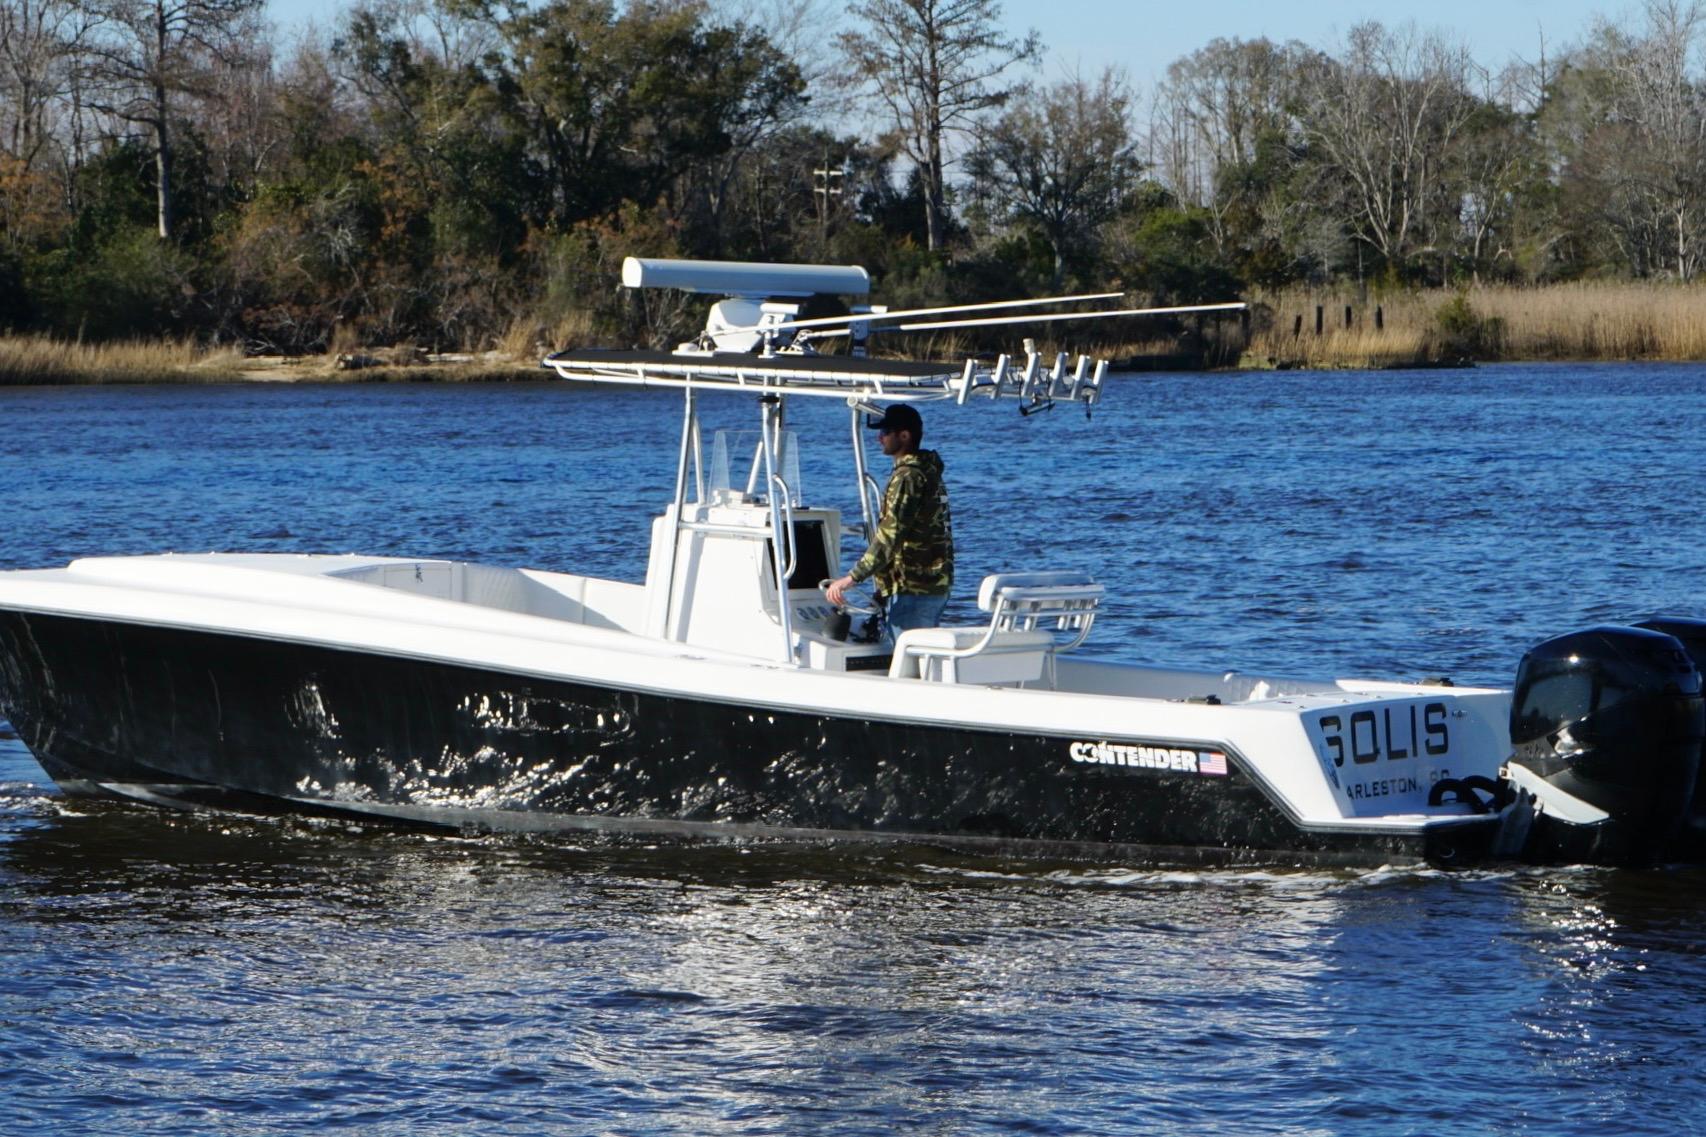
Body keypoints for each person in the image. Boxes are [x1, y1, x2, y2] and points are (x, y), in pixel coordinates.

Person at [826, 403, 953, 645]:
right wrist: (883, 588)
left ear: (904, 436)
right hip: (926, 586)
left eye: (885, 432)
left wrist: (851, 578)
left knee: (913, 668)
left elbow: (889, 537)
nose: (879, 438)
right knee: (920, 659)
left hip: (914, 589)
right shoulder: (926, 472)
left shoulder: (908, 478)